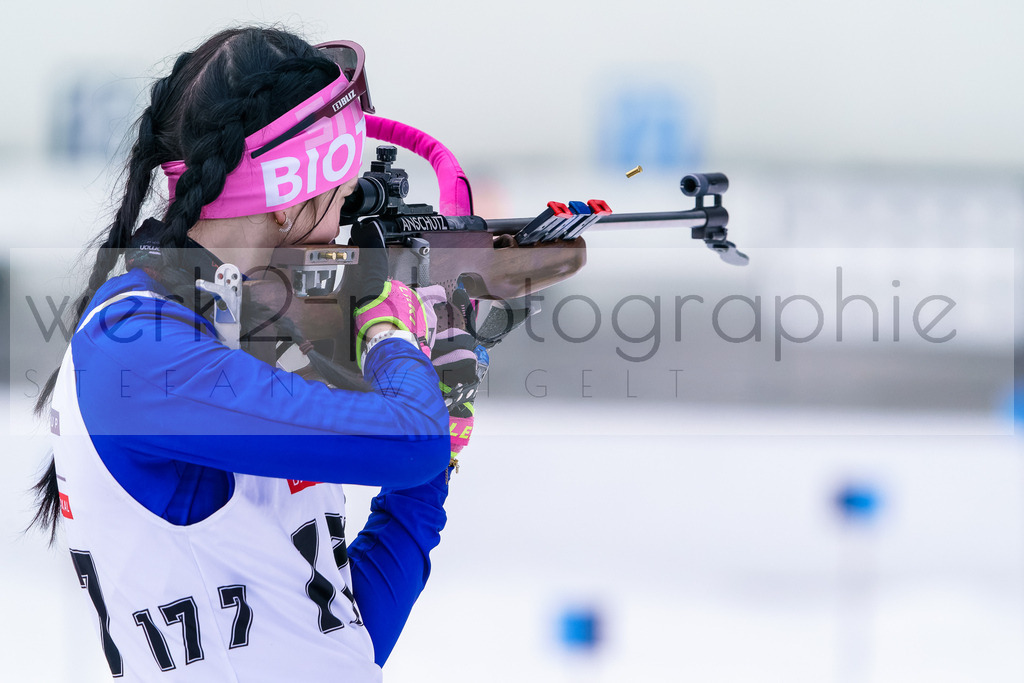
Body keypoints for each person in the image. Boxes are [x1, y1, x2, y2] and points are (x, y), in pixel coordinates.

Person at [29, 27, 477, 681]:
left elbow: (335, 641)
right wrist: (392, 335)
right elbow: (411, 437)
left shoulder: (242, 332)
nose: (344, 222)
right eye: (342, 194)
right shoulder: (137, 347)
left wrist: (434, 452)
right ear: (293, 193)